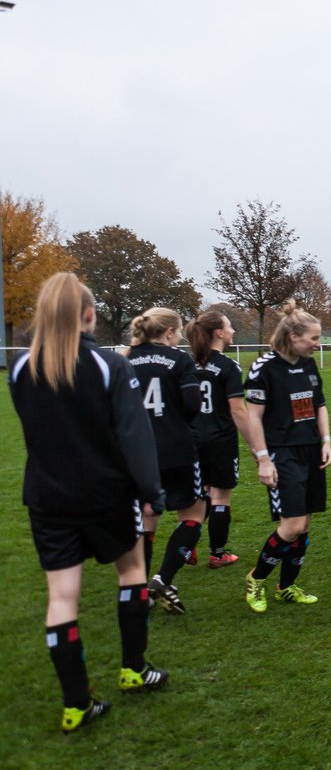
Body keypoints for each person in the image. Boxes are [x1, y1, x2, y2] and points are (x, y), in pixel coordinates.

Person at [9, 273, 169, 733]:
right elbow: (134, 438)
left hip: (47, 498)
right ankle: (134, 669)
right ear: (87, 314)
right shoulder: (107, 366)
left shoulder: (20, 369)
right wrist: (152, 493)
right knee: (132, 572)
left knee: (61, 598)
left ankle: (76, 703)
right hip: (106, 495)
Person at [240, 301, 331, 612]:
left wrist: (326, 441)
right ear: (293, 336)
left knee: (304, 525)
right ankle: (257, 578)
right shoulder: (264, 367)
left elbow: (318, 404)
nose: (318, 345)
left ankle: (287, 586)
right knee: (291, 525)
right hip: (282, 453)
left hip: (310, 449)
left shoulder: (307, 364)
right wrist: (263, 458)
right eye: (314, 338)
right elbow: (252, 417)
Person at [128, 307, 204, 614]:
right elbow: (192, 404)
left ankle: (137, 589)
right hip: (177, 448)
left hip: (137, 452)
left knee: (147, 518)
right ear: (170, 332)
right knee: (195, 511)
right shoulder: (180, 360)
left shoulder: (124, 359)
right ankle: (163, 578)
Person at [186, 310, 252, 569]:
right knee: (221, 497)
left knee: (201, 495)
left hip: (191, 439)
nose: (233, 331)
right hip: (220, 440)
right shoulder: (228, 366)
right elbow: (237, 410)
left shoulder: (187, 364)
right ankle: (217, 553)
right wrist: (257, 448)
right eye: (230, 326)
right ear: (219, 333)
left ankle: (187, 545)